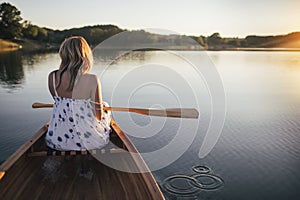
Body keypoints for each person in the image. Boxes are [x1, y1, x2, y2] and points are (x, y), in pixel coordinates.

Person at [45, 36, 111, 151]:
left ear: (63, 53)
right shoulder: (92, 79)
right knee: (105, 108)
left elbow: (60, 103)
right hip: (89, 142)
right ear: (85, 55)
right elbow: (98, 115)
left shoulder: (52, 77)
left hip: (58, 140)